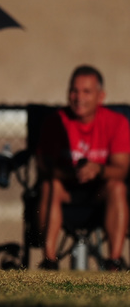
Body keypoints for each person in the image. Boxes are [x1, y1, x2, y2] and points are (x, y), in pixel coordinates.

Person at [36, 65, 130, 271]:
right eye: (74, 91)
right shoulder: (55, 122)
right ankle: (49, 261)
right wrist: (70, 173)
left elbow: (122, 169)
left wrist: (98, 170)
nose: (79, 98)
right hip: (67, 193)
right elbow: (44, 165)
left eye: (86, 92)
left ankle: (114, 260)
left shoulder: (117, 123)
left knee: (118, 187)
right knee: (50, 185)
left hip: (99, 195)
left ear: (100, 96)